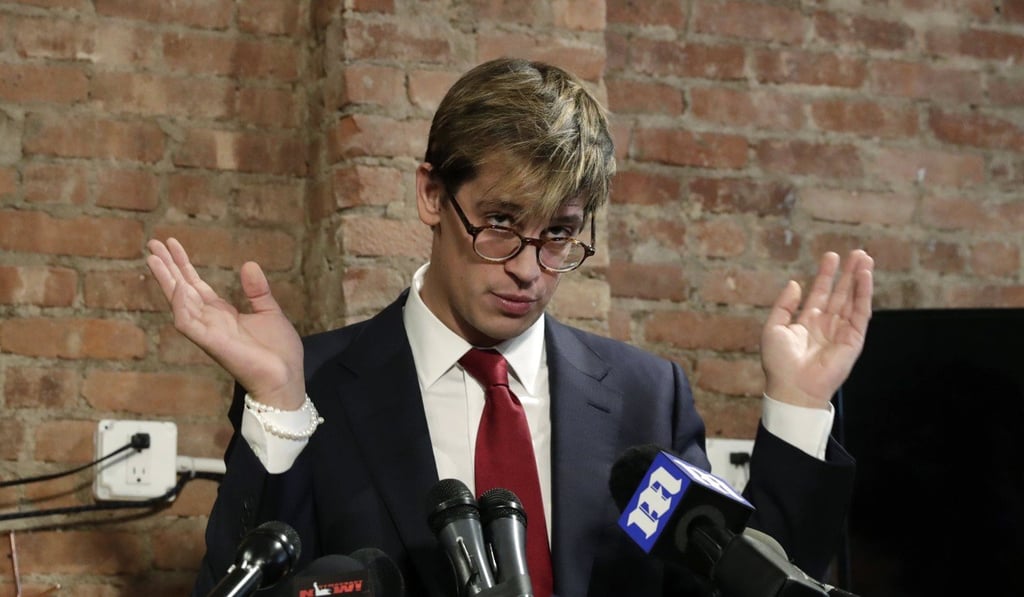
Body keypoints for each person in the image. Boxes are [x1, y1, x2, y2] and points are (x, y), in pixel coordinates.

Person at [146, 57, 874, 597]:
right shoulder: (316, 388)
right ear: (432, 193)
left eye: (559, 234)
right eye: (500, 223)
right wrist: (276, 396)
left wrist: (799, 408)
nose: (530, 268)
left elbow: (747, 584)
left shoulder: (646, 395)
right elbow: (239, 582)